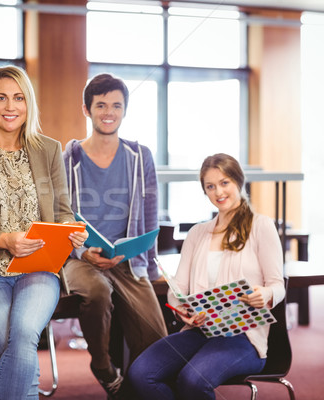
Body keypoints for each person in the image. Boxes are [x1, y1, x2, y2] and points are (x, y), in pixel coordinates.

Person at [0, 65, 88, 400]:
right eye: (2, 98)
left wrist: (69, 230)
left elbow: (63, 212)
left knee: (22, 334)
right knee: (20, 349)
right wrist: (4, 240)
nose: (10, 106)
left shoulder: (48, 149)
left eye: (19, 98)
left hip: (38, 268)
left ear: (29, 103)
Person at [128, 153, 286, 400]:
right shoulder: (197, 233)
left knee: (193, 380)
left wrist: (264, 294)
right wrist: (185, 310)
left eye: (224, 183)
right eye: (210, 186)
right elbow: (178, 287)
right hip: (199, 331)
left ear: (238, 182)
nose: (218, 192)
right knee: (140, 374)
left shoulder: (261, 226)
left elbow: (277, 285)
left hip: (243, 337)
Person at [62, 73, 167, 399]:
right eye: (101, 105)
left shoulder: (140, 157)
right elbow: (59, 216)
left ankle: (135, 388)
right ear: (87, 109)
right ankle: (103, 366)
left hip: (127, 258)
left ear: (125, 110)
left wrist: (150, 271)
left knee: (157, 340)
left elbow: (150, 215)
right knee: (97, 292)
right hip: (83, 257)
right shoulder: (70, 158)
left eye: (117, 105)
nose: (109, 112)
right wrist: (81, 254)